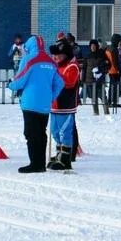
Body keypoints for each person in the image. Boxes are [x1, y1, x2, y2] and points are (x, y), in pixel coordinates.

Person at [8, 35, 64, 173]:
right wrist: (51, 96)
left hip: (30, 103)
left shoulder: (29, 59)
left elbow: (20, 80)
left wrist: (11, 84)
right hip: (45, 104)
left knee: (31, 134)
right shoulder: (51, 61)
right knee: (41, 133)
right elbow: (60, 83)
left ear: (29, 47)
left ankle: (35, 164)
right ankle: (40, 163)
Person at [48, 41, 81, 171]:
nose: (55, 57)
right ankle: (59, 154)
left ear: (65, 55)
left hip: (66, 106)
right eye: (54, 55)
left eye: (58, 55)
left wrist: (53, 77)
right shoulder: (57, 66)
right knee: (55, 132)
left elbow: (68, 83)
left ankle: (66, 159)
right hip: (55, 105)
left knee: (65, 132)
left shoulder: (72, 66)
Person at [86, 39, 109, 115]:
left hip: (100, 80)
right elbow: (85, 68)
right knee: (93, 97)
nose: (92, 47)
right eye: (91, 46)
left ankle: (106, 112)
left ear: (97, 46)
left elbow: (108, 65)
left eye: (94, 46)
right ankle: (95, 112)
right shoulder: (88, 55)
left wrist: (100, 71)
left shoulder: (102, 54)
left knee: (103, 96)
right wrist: (83, 80)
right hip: (90, 80)